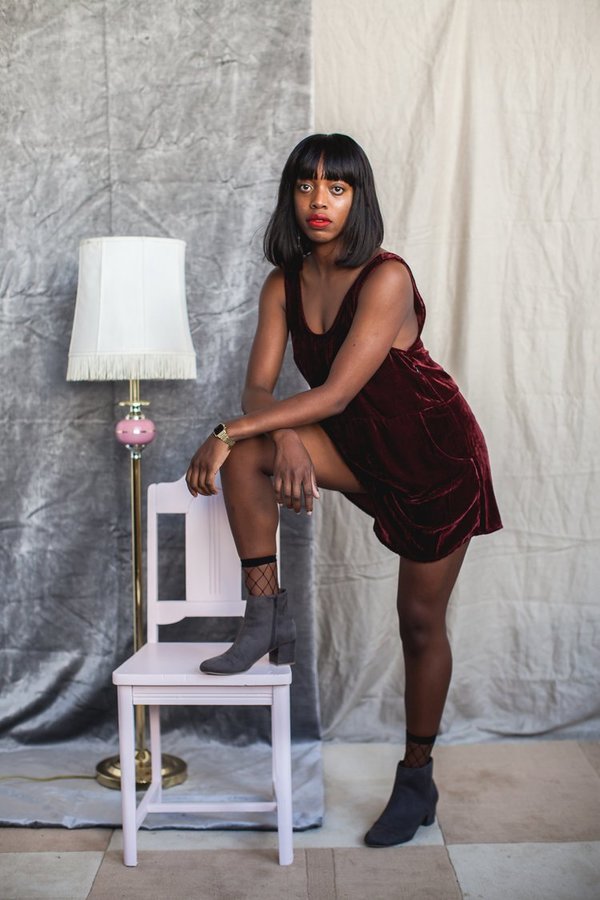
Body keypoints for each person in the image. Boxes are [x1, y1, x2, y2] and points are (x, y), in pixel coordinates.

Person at [186, 133, 502, 847]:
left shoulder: (387, 278)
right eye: (306, 186)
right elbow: (260, 386)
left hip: (432, 459)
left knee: (418, 623)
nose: (318, 201)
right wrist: (280, 435)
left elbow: (333, 394)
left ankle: (416, 777)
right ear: (290, 196)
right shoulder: (283, 283)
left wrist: (235, 428)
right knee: (248, 457)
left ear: (359, 198)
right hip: (357, 446)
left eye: (337, 187)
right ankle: (266, 616)